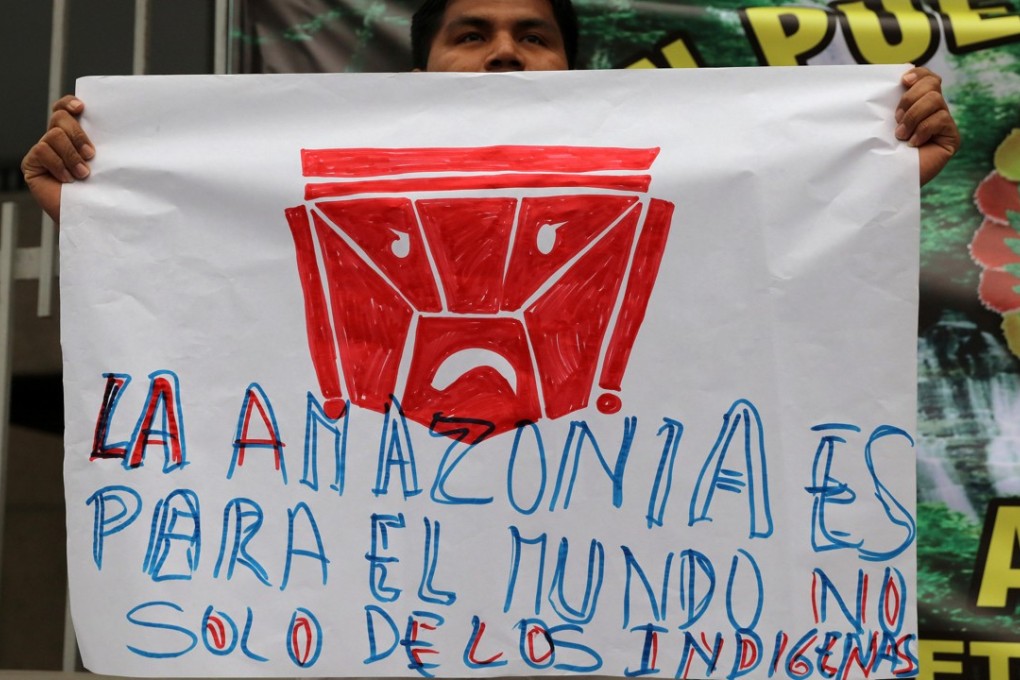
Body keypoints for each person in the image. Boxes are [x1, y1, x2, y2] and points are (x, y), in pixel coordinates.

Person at [21, 0, 959, 223]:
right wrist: (95, 207)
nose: (506, 50)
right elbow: (219, 270)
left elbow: (763, 258)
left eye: (533, 35)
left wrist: (887, 173)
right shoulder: (326, 187)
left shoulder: (663, 176)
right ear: (422, 66)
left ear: (573, 67)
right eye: (472, 34)